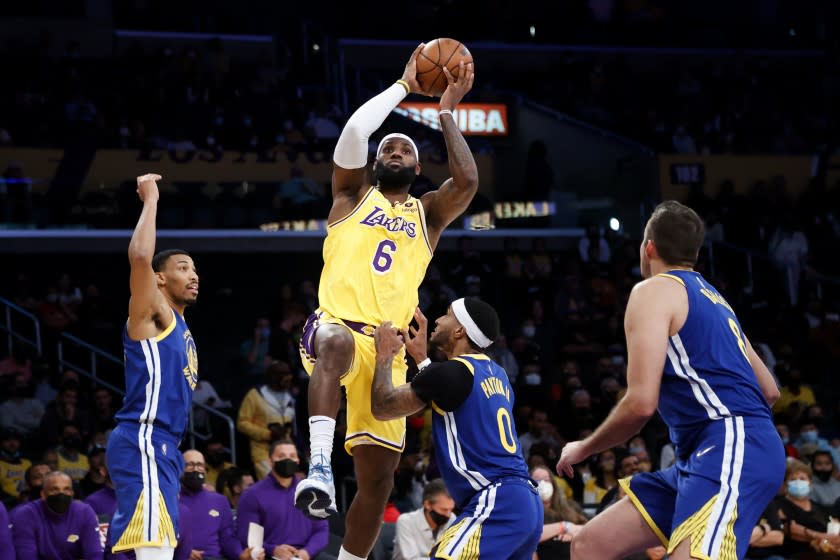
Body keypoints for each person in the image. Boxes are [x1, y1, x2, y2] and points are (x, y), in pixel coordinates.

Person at [294, 43, 478, 560]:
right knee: (331, 341)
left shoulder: (428, 214)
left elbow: (468, 182)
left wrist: (444, 112)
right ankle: (320, 469)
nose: (395, 153)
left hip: (388, 349)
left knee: (378, 482)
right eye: (388, 150)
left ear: (418, 168)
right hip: (338, 326)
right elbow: (354, 133)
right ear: (375, 165)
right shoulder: (351, 196)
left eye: (405, 151)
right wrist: (403, 87)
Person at [555, 200, 786, 560]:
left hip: (729, 445)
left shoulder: (652, 290)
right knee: (590, 543)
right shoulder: (716, 300)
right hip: (705, 453)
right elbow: (769, 390)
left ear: (649, 248)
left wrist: (583, 448)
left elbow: (641, 403)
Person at [370, 298, 543, 559]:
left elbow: (383, 407)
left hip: (496, 501)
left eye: (448, 315)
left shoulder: (450, 374)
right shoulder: (498, 374)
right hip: (525, 502)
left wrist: (383, 356)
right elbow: (454, 396)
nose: (437, 320)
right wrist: (423, 362)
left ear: (460, 330)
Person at [106, 173, 200, 560]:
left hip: (165, 447)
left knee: (160, 542)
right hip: (142, 437)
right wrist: (151, 200)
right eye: (182, 267)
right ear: (159, 280)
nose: (193, 274)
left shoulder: (182, 327)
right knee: (153, 544)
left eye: (194, 268)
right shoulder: (151, 313)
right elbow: (141, 258)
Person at [237, 440, 329, 560]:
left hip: (306, 555)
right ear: (270, 461)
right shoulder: (252, 494)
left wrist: (306, 553)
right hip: (270, 556)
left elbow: (321, 531)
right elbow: (247, 537)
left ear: (298, 461)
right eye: (281, 456)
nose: (288, 459)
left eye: (292, 456)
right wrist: (273, 550)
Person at [179, 449, 260, 560]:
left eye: (200, 465)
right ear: (179, 469)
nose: (196, 469)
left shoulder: (220, 500)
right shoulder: (169, 500)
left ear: (206, 471)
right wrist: (182, 552)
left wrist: (240, 554)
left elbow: (227, 537)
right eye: (190, 465)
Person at [11, 470, 103, 559]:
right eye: (54, 489)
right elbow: (26, 556)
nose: (61, 494)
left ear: (72, 494)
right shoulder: (25, 514)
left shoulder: (84, 512)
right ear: (43, 494)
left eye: (66, 489)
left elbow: (94, 554)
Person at [238, 361, 297, 479]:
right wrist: (268, 434)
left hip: (286, 450)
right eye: (283, 374)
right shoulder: (255, 395)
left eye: (288, 374)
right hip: (263, 453)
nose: (288, 378)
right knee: (273, 486)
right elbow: (242, 423)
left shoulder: (289, 397)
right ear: (273, 377)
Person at [392, 478, 455, 560]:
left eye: (451, 509)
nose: (448, 515)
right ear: (427, 504)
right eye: (444, 510)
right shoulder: (406, 521)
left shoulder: (452, 518)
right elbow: (411, 559)